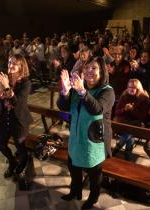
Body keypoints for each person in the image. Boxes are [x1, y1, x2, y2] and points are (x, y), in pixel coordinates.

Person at [57, 56, 115, 209]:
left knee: (94, 173)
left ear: (102, 71)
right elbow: (63, 107)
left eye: (94, 68)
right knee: (73, 166)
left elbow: (97, 109)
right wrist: (65, 92)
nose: (89, 71)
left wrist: (82, 91)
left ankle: (93, 198)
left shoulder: (107, 91)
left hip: (94, 139)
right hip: (76, 136)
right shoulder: (78, 88)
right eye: (87, 67)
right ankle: (75, 191)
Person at [0, 54, 33, 179]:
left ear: (21, 66)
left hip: (19, 120)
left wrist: (6, 87)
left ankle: (24, 163)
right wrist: (1, 91)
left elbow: (17, 103)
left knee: (20, 148)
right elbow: (2, 97)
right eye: (9, 62)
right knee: (0, 144)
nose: (10, 65)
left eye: (14, 63)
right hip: (5, 118)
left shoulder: (26, 83)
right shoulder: (7, 78)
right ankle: (12, 162)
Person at [113, 79, 149, 160]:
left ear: (138, 88)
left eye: (134, 87)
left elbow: (142, 117)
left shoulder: (144, 98)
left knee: (129, 131)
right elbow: (117, 112)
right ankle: (128, 155)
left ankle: (117, 148)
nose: (131, 89)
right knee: (129, 133)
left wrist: (132, 109)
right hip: (124, 122)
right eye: (129, 87)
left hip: (137, 123)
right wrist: (124, 109)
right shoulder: (124, 96)